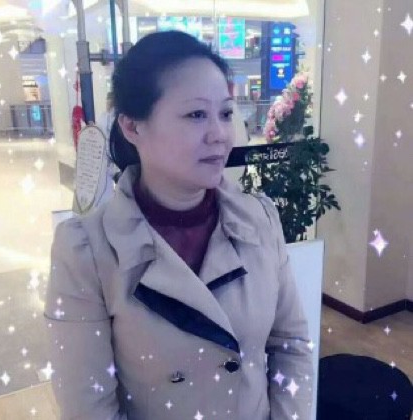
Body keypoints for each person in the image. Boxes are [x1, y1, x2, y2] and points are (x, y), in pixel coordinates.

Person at [44, 31, 313, 420]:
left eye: (225, 113)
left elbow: (291, 345)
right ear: (133, 127)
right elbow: (88, 407)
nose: (219, 134)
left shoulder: (260, 219)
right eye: (196, 115)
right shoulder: (86, 250)